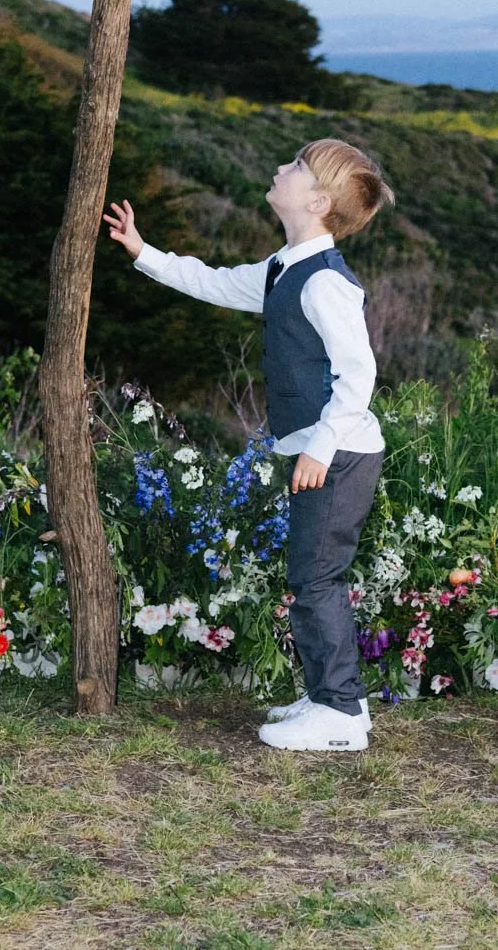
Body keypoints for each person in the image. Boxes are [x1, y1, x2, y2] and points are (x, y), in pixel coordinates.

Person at [104, 138, 394, 751]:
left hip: (339, 455)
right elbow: (213, 282)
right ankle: (336, 700)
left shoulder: (325, 283)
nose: (278, 167)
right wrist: (143, 252)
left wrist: (319, 448)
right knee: (316, 576)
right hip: (326, 452)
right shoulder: (282, 268)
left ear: (316, 200)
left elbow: (358, 374)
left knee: (316, 579)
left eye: (293, 166)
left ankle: (340, 715)